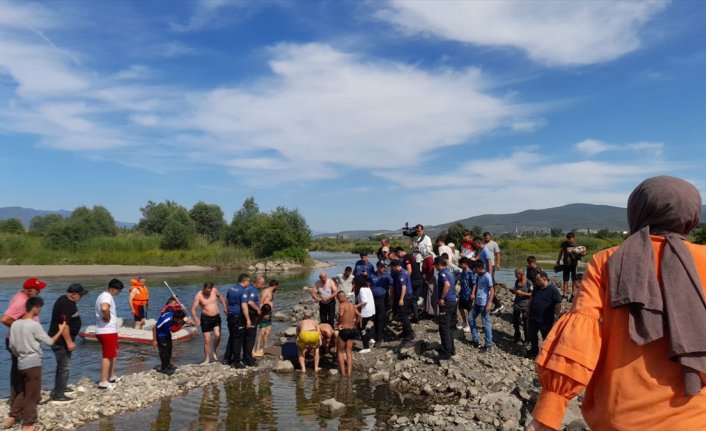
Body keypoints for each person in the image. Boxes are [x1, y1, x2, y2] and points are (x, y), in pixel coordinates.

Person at [529, 176, 706, 430]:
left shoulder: (607, 261)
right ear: (692, 216)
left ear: (637, 211)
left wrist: (548, 411)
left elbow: (580, 337)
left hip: (620, 417)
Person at [3, 297, 67, 431]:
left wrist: (19, 356)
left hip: (21, 362)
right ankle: (28, 423)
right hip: (33, 363)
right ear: (35, 307)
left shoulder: (15, 324)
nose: (40, 310)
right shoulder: (34, 325)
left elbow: (12, 345)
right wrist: (61, 330)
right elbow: (49, 342)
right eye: (39, 308)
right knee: (32, 395)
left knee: (24, 391)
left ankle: (11, 417)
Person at [1, 277, 46, 404]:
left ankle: (22, 397)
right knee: (24, 371)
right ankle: (21, 400)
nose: (40, 292)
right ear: (30, 291)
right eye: (38, 290)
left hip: (21, 341)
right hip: (21, 342)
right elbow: (5, 319)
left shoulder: (23, 297)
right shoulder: (21, 301)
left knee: (20, 370)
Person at [48, 283, 87, 403]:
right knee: (64, 366)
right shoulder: (66, 305)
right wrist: (69, 342)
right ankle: (58, 395)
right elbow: (63, 325)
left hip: (61, 340)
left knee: (63, 365)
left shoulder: (64, 300)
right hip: (61, 342)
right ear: (74, 294)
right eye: (81, 295)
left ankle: (61, 387)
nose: (82, 297)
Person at [95, 278, 124, 390]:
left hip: (108, 330)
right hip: (106, 330)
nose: (119, 293)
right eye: (119, 290)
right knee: (107, 355)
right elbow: (104, 307)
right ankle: (103, 381)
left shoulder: (103, 296)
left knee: (113, 353)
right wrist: (107, 317)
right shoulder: (106, 296)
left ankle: (112, 376)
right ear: (112, 289)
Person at [525, 271, 562, 358]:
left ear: (544, 279)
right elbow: (532, 297)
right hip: (533, 317)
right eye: (536, 280)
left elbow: (558, 304)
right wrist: (528, 307)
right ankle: (534, 350)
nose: (536, 282)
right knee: (532, 334)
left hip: (545, 319)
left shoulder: (552, 289)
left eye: (538, 280)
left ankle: (546, 353)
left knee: (546, 337)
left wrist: (557, 316)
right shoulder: (537, 287)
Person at [191, 282, 227, 364]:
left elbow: (220, 296)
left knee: (217, 335)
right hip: (205, 319)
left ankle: (214, 350)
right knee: (207, 339)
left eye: (209, 292)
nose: (208, 293)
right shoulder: (199, 295)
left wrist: (224, 306)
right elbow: (193, 308)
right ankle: (207, 359)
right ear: (204, 288)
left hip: (216, 317)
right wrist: (196, 318)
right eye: (206, 291)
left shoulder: (214, 290)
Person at [152, 308, 187, 375]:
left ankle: (168, 364)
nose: (181, 321)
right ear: (176, 318)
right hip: (160, 336)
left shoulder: (175, 318)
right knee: (164, 351)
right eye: (181, 320)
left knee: (169, 350)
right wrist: (154, 340)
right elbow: (154, 328)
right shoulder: (165, 320)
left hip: (167, 333)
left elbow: (179, 323)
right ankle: (163, 367)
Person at [224, 274, 248, 368]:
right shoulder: (243, 291)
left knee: (232, 336)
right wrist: (248, 320)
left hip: (230, 316)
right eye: (248, 281)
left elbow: (226, 300)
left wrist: (226, 310)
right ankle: (237, 361)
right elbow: (244, 306)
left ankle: (228, 358)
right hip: (238, 317)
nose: (248, 283)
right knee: (238, 339)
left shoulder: (231, 289)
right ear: (244, 281)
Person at [469, 260, 494, 351]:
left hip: (484, 304)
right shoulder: (478, 275)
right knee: (470, 319)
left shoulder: (487, 276)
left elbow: (492, 291)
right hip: (477, 302)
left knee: (486, 324)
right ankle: (475, 340)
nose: (474, 270)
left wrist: (489, 304)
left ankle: (488, 345)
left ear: (480, 268)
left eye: (475, 268)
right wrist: (473, 294)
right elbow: (476, 285)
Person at [436, 256, 457, 359]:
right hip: (453, 302)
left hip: (446, 303)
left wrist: (442, 298)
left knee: (444, 327)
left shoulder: (442, 273)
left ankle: (446, 352)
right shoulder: (450, 272)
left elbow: (447, 285)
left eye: (435, 266)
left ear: (438, 265)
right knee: (449, 327)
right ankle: (450, 349)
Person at [336, 291, 360, 376]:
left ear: (340, 298)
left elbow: (341, 315)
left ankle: (343, 373)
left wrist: (339, 324)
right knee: (349, 352)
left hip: (344, 330)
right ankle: (349, 374)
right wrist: (355, 325)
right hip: (352, 330)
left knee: (340, 352)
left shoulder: (342, 305)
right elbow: (360, 316)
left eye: (338, 299)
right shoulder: (353, 306)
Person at [368, 261, 392, 344]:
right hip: (373, 298)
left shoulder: (387, 275)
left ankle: (379, 337)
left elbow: (391, 286)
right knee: (375, 316)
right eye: (381, 267)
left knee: (380, 317)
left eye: (383, 267)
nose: (383, 268)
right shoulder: (371, 275)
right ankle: (376, 332)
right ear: (377, 267)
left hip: (383, 298)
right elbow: (368, 285)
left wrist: (390, 297)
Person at [390, 259, 414, 341]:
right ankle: (405, 332)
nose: (392, 269)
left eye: (392, 267)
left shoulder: (402, 274)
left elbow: (404, 287)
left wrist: (401, 299)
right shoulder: (402, 271)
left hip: (405, 296)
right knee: (403, 314)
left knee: (403, 315)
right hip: (407, 295)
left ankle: (410, 333)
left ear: (396, 266)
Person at [254, 280, 278, 357]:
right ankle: (257, 349)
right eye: (277, 287)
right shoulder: (266, 292)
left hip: (269, 314)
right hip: (264, 314)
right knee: (262, 332)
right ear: (275, 286)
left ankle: (265, 348)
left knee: (267, 332)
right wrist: (263, 314)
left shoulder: (272, 292)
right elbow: (260, 303)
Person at [354, 275, 375, 353]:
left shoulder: (362, 289)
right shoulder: (367, 287)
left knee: (361, 328)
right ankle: (370, 339)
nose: (354, 284)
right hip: (371, 310)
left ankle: (366, 347)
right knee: (363, 328)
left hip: (365, 312)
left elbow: (365, 301)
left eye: (354, 283)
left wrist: (355, 306)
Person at [510, 269, 532, 344]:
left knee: (526, 323)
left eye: (516, 275)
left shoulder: (528, 282)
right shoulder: (517, 281)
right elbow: (517, 290)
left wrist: (522, 293)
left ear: (521, 274)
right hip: (517, 304)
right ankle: (517, 336)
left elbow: (532, 294)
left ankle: (527, 339)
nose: (515, 276)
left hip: (525, 305)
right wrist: (514, 291)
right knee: (515, 321)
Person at [243, 278, 261, 367]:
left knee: (246, 337)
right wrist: (258, 309)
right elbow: (250, 302)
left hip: (246, 314)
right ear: (257, 283)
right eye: (262, 284)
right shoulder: (253, 289)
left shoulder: (247, 288)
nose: (263, 286)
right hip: (252, 314)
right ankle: (248, 359)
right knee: (251, 337)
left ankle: (245, 356)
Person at [556, 232, 579, 299]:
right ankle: (565, 295)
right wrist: (558, 261)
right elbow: (561, 252)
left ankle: (573, 295)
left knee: (574, 280)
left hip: (574, 264)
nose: (569, 240)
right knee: (565, 279)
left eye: (570, 238)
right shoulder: (564, 244)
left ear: (574, 238)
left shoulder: (577, 245)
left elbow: (581, 254)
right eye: (568, 238)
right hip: (566, 264)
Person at [456, 257, 474, 334]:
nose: (460, 265)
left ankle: (470, 325)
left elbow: (474, 284)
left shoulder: (470, 272)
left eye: (461, 264)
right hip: (462, 293)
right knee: (460, 308)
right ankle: (464, 322)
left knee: (469, 309)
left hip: (469, 294)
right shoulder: (462, 272)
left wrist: (473, 293)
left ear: (466, 264)